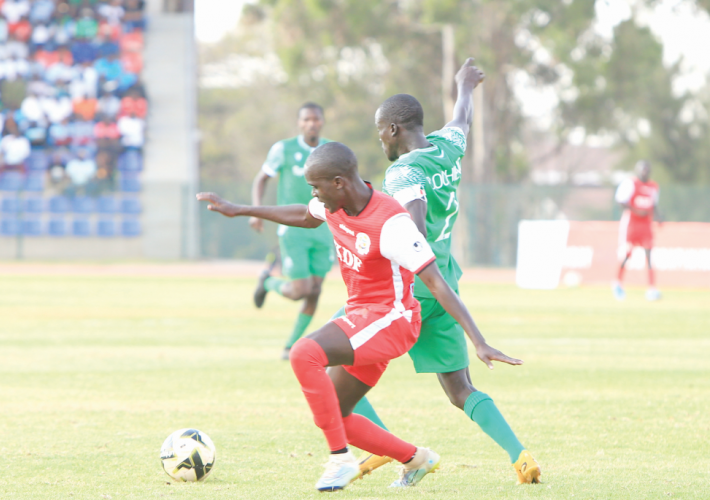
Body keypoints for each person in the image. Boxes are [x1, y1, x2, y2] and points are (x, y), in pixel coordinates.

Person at [198, 142, 517, 491]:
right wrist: (241, 209)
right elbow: (304, 216)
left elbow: (438, 285)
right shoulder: (332, 204)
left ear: (339, 182)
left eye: (316, 187)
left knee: (305, 353)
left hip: (393, 319)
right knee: (334, 414)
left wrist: (479, 341)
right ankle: (417, 458)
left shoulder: (392, 222)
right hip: (363, 317)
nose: (314, 195)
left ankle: (340, 460)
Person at [350, 58, 542, 485]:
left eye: (380, 130)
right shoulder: (447, 147)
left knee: (338, 366)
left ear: (395, 130)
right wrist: (465, 87)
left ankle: (385, 450)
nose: (379, 138)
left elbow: (414, 230)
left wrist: (392, 237)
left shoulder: (403, 171)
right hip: (445, 284)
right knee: (460, 391)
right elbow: (462, 119)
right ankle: (520, 456)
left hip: (411, 290)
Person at [249, 103, 335, 359]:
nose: (311, 123)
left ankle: (291, 345)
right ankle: (269, 281)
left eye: (316, 119)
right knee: (300, 291)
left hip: (323, 229)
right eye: (306, 119)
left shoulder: (330, 150)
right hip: (293, 228)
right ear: (300, 123)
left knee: (316, 290)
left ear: (322, 122)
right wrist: (256, 210)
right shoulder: (283, 149)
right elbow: (261, 178)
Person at [613, 160, 662, 301]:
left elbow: (654, 205)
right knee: (627, 254)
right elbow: (620, 201)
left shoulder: (653, 187)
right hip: (632, 225)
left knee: (650, 256)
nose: (644, 172)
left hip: (646, 226)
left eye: (646, 169)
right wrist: (636, 211)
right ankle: (618, 284)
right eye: (642, 169)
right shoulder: (630, 184)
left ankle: (652, 289)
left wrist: (658, 217)